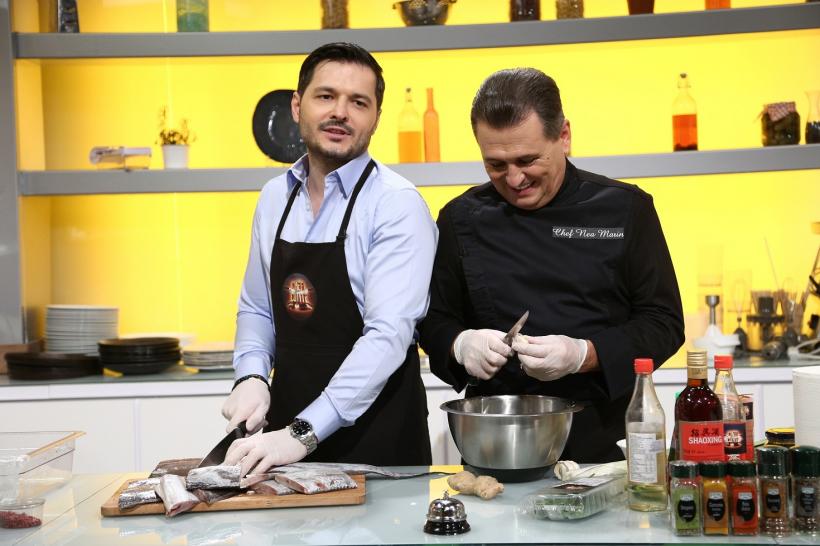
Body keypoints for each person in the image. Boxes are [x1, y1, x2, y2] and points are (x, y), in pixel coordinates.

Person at [419, 68, 684, 463]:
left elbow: (663, 323)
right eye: (496, 165)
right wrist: (461, 345)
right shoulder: (460, 219)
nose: (514, 179)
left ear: (564, 136)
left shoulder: (625, 209)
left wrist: (584, 354)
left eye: (527, 160)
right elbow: (434, 320)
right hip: (496, 439)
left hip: (602, 438)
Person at [222, 42, 437, 476]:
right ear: (297, 106)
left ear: (375, 117)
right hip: (283, 441)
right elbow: (257, 308)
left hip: (378, 447)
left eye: (358, 102)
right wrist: (251, 376)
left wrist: (301, 434)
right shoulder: (274, 197)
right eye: (326, 96)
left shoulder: (396, 204)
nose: (340, 112)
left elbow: (386, 337)